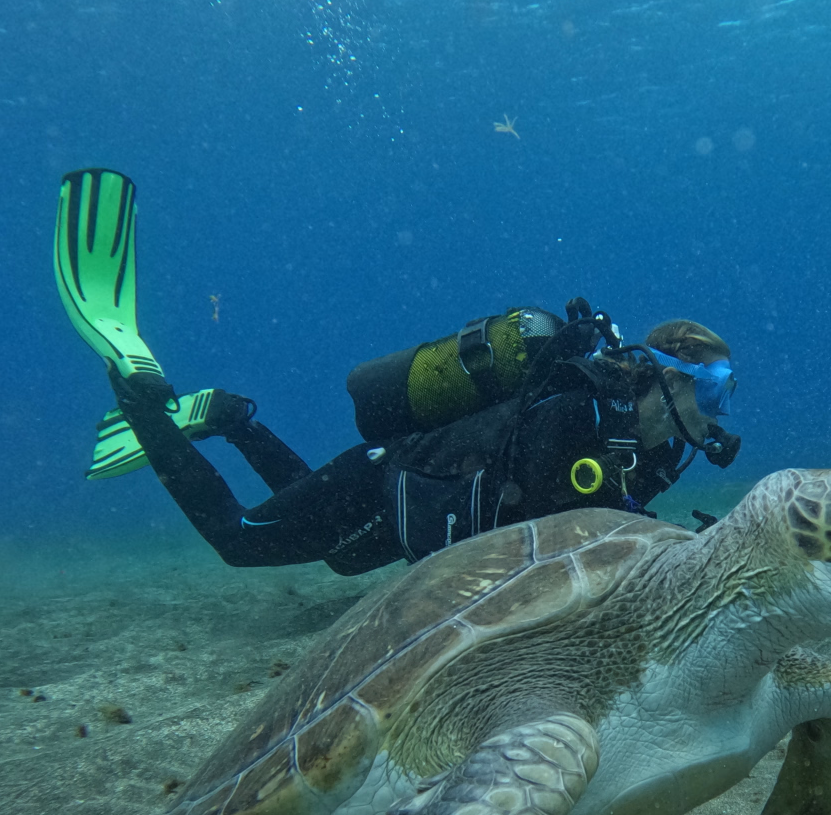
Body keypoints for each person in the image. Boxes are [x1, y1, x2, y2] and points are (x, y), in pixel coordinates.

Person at [54, 169, 741, 577]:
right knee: (240, 541)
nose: (716, 411)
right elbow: (555, 524)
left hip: (419, 518)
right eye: (710, 389)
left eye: (724, 392)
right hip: (387, 480)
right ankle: (138, 397)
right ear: (668, 379)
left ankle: (234, 422)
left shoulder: (653, 453)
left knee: (338, 557)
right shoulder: (574, 414)